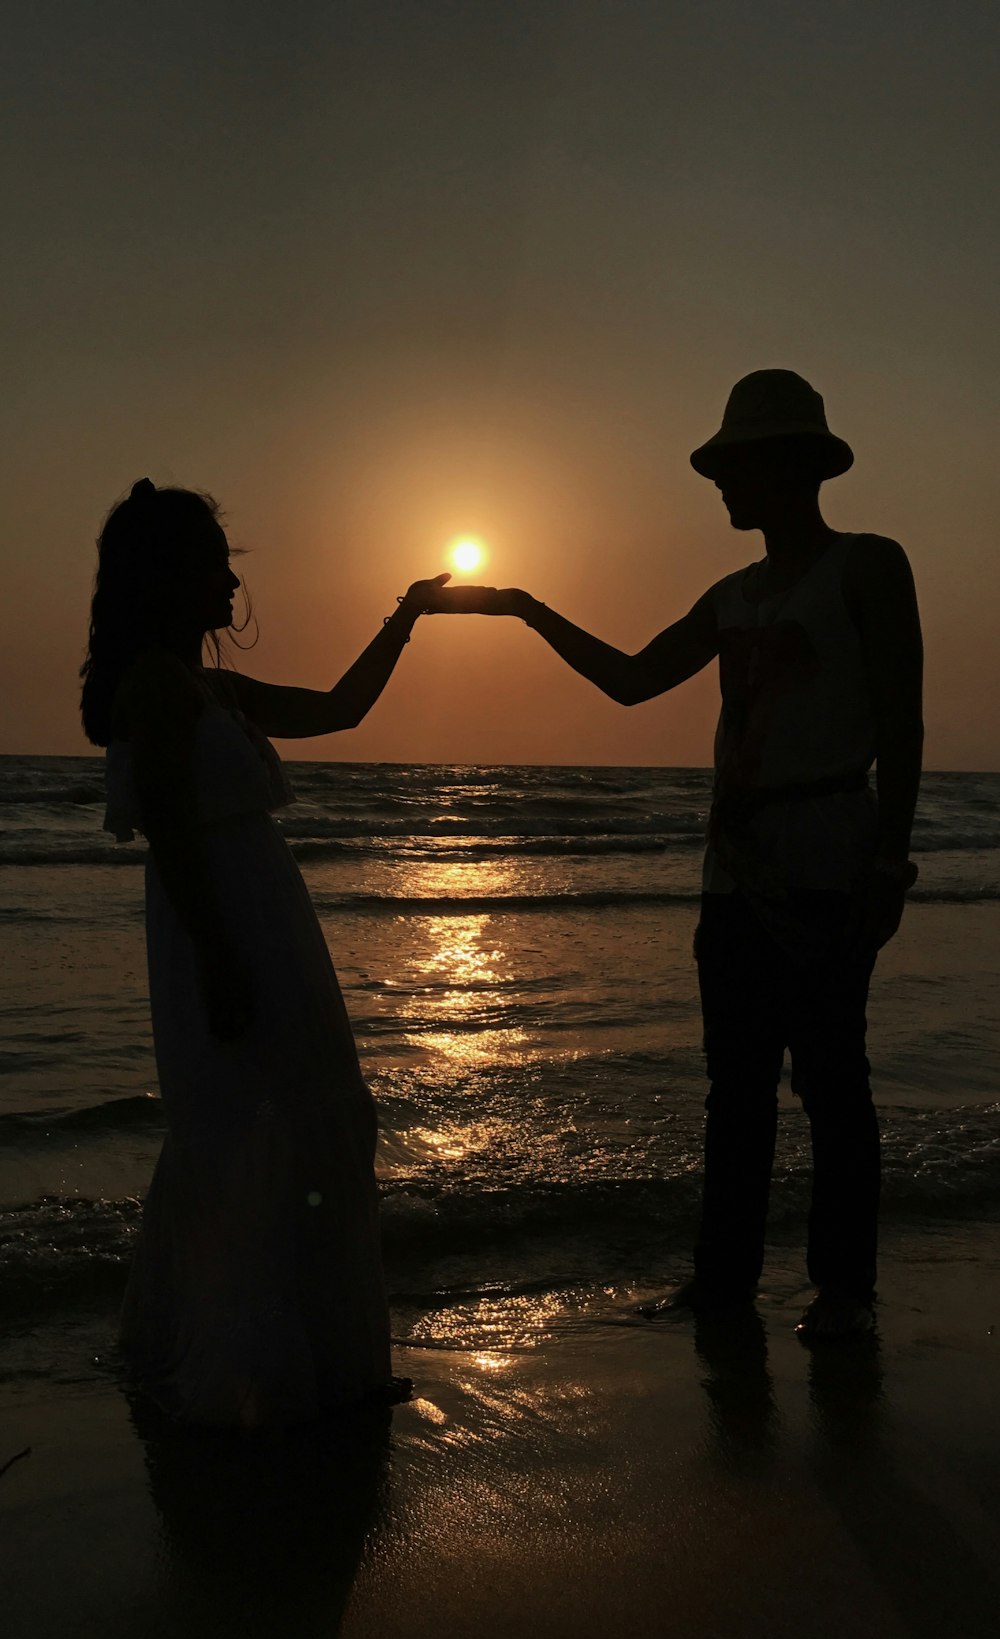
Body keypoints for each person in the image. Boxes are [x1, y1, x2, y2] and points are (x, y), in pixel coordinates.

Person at [426, 370, 924, 1338]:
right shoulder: (731, 595)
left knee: (829, 1077)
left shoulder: (867, 566)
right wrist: (528, 607)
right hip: (734, 872)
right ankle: (723, 1282)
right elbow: (631, 679)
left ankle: (845, 1292)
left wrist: (890, 861)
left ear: (784, 466)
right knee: (734, 1087)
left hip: (829, 859)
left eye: (734, 467)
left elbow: (900, 723)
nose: (720, 486)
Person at [82, 478, 462, 1427]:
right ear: (170, 577)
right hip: (227, 927)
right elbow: (171, 834)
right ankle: (260, 1371)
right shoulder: (157, 688)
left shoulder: (208, 686)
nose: (229, 584)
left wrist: (406, 615)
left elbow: (341, 709)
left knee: (310, 1115)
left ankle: (316, 1361)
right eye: (213, 564)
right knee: (250, 1129)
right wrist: (218, 960)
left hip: (267, 919)